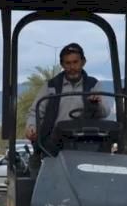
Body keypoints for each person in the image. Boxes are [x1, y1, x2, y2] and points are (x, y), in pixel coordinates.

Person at [25, 43, 110, 171]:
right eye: (68, 63)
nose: (72, 67)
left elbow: (105, 111)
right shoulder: (51, 87)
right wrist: (31, 127)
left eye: (75, 62)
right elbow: (35, 112)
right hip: (55, 145)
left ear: (83, 62)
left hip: (86, 142)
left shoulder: (93, 85)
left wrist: (97, 104)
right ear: (62, 65)